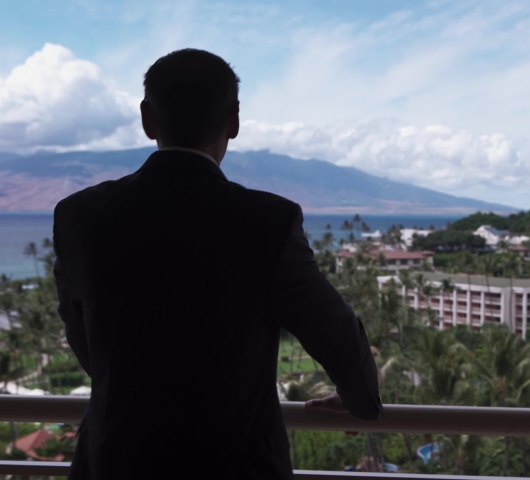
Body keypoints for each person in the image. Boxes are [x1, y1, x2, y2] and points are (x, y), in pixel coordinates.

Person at [52, 49, 383, 480]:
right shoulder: (267, 221)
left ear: (148, 119)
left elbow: (82, 334)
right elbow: (334, 332)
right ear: (234, 120)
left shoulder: (80, 215)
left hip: (114, 458)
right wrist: (360, 400)